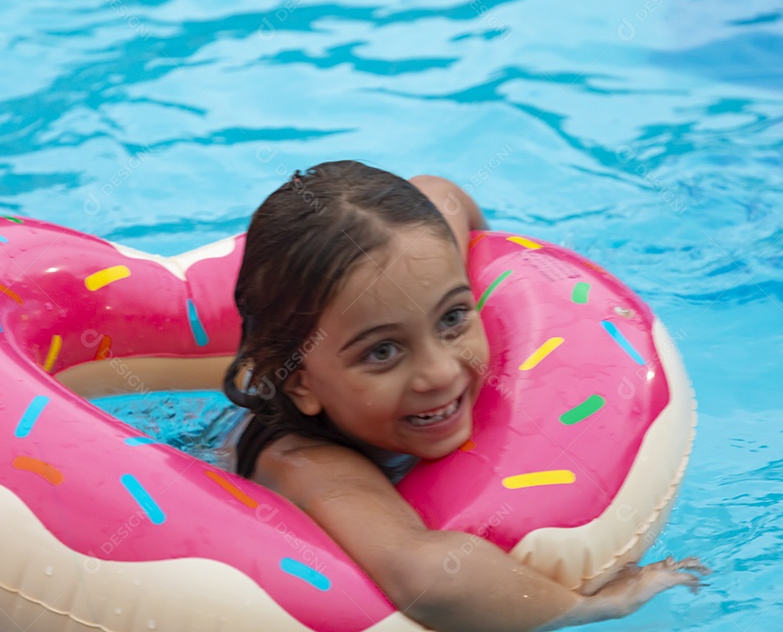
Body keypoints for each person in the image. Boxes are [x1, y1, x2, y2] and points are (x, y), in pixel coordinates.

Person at [222, 160, 707, 632]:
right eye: (383, 351)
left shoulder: (410, 257)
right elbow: (432, 580)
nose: (439, 372)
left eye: (453, 318)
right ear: (301, 383)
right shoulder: (309, 466)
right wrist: (593, 607)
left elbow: (438, 192)